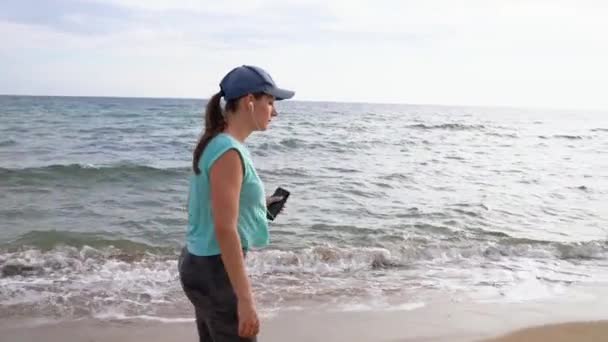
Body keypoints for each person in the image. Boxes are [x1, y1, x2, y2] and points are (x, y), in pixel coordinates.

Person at [178, 65, 295, 342]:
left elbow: (212, 210)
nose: (275, 112)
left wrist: (259, 208)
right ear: (249, 102)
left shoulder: (216, 143)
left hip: (198, 263)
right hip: (215, 273)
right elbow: (224, 229)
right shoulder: (228, 151)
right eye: (270, 103)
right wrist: (245, 300)